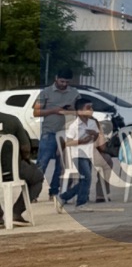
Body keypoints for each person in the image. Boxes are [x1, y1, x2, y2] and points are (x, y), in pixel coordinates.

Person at [32, 68, 77, 203]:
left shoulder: (74, 93)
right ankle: (33, 193)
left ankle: (54, 192)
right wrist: (54, 111)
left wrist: (70, 111)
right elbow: (36, 112)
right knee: (42, 163)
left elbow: (79, 110)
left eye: (67, 82)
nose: (64, 84)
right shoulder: (46, 92)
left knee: (61, 165)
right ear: (56, 78)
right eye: (62, 81)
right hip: (49, 132)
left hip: (66, 134)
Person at [55, 98, 99, 212]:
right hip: (78, 155)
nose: (91, 110)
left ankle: (63, 197)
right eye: (88, 108)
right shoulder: (74, 126)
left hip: (88, 154)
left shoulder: (92, 123)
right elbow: (68, 142)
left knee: (85, 180)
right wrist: (80, 141)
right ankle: (81, 203)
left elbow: (96, 137)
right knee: (87, 178)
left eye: (91, 108)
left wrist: (94, 135)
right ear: (79, 111)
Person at [0, 110, 42, 225]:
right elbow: (25, 148)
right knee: (37, 177)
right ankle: (16, 212)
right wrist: (25, 159)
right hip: (12, 169)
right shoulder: (12, 120)